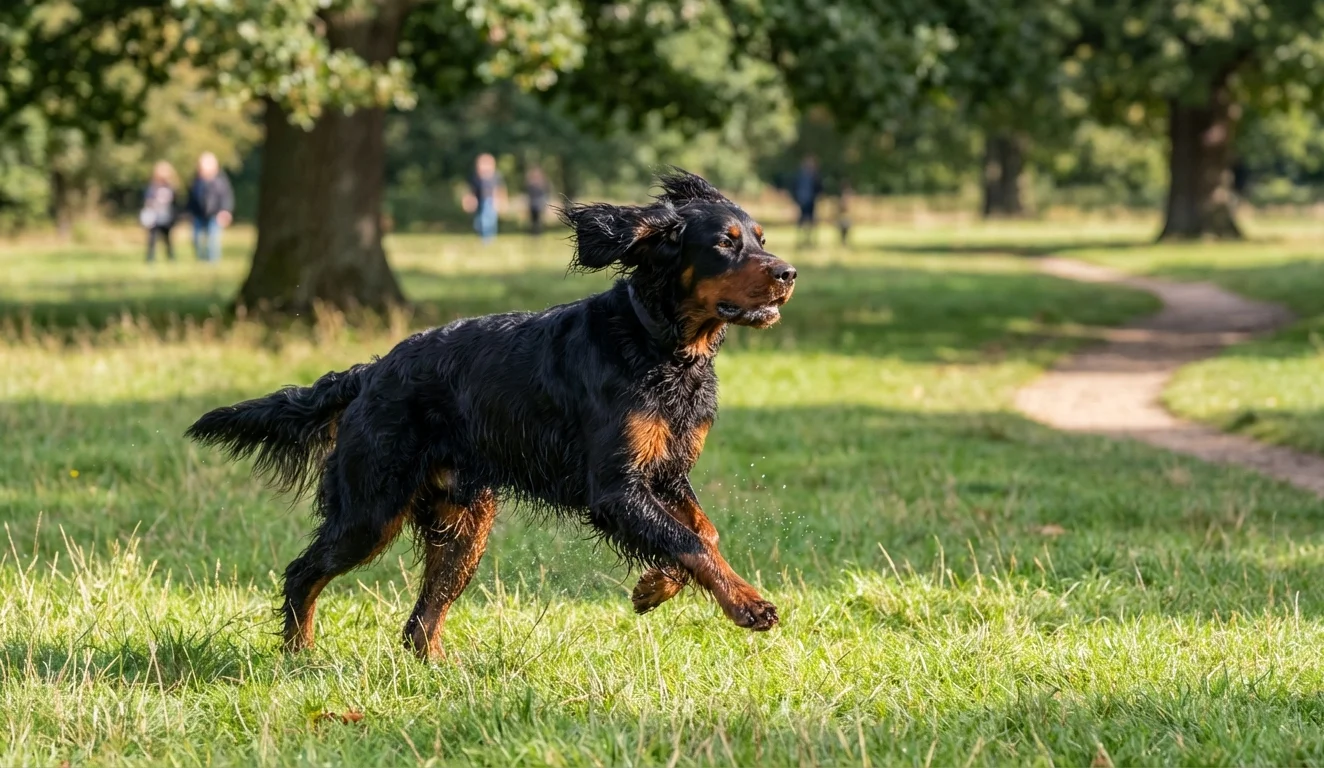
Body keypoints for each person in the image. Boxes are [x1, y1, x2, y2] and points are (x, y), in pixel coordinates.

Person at [186, 152, 234, 263]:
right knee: (196, 238)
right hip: (198, 214)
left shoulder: (220, 181)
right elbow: (191, 199)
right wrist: (189, 213)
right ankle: (201, 259)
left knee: (213, 240)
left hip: (214, 214)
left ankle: (213, 261)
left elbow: (226, 197)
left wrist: (225, 211)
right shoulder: (196, 182)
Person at [462, 153, 506, 244]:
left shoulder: (495, 177)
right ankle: (482, 236)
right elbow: (471, 191)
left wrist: (501, 201)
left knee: (488, 220)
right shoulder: (475, 178)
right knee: (478, 222)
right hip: (479, 201)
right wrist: (469, 201)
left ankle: (488, 238)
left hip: (490, 201)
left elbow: (500, 189)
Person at [141, 161, 178, 263]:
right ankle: (150, 259)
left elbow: (175, 202)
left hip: (166, 217)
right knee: (152, 239)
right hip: (154, 217)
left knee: (168, 240)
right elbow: (147, 200)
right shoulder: (152, 187)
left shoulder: (171, 187)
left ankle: (171, 258)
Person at [791, 155, 823, 247]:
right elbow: (795, 187)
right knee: (802, 221)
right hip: (802, 201)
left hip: (811, 201)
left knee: (812, 221)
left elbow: (819, 188)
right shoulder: (800, 176)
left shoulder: (815, 176)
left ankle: (810, 240)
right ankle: (801, 240)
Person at [525, 165, 549, 235]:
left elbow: (544, 194)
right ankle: (534, 233)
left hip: (539, 204)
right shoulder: (531, 185)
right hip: (533, 204)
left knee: (538, 220)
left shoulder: (542, 184)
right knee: (533, 220)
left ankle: (538, 232)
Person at [837, 180, 853, 246]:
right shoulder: (843, 196)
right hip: (843, 216)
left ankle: (844, 242)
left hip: (846, 216)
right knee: (843, 231)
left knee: (845, 231)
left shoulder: (847, 196)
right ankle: (843, 242)